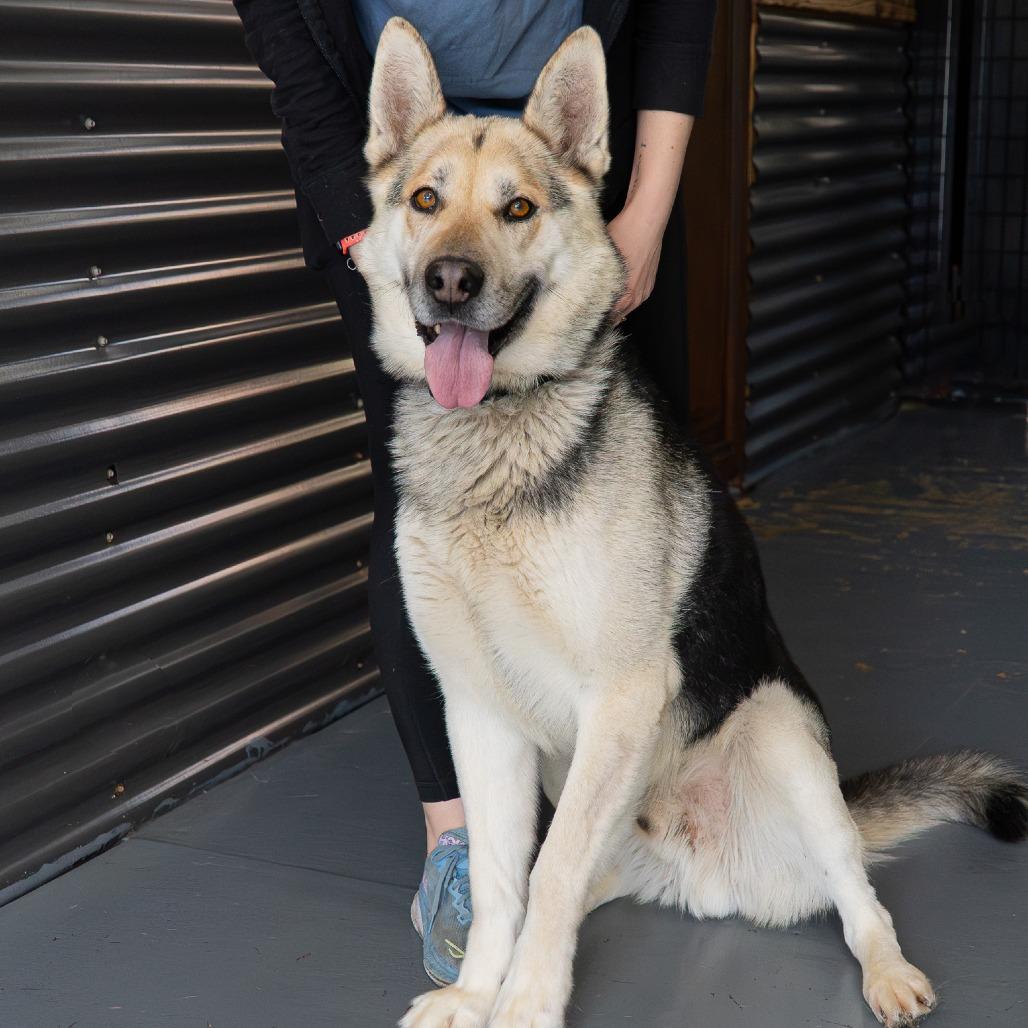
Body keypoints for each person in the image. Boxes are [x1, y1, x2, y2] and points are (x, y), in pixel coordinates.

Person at [233, 0, 716, 988]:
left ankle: (646, 789)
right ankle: (457, 841)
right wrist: (391, 248)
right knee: (424, 516)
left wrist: (648, 212)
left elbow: (675, 14)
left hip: (570, 183)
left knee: (635, 519)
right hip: (400, 183)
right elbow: (297, 57)